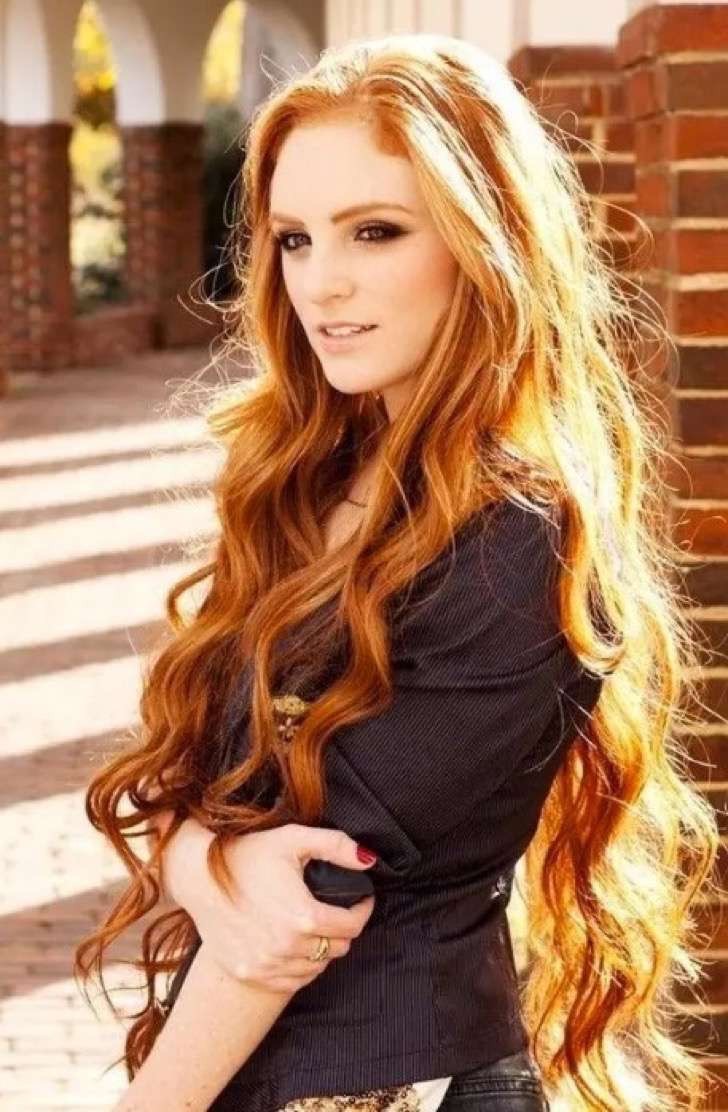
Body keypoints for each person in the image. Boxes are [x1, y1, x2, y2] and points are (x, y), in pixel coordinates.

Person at [74, 32, 721, 1112]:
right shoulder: (313, 484)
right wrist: (204, 860)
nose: (322, 283)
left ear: (483, 241)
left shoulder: (516, 537)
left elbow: (315, 893)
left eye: (375, 231)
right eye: (294, 238)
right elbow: (188, 790)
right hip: (246, 1067)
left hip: (393, 1078)